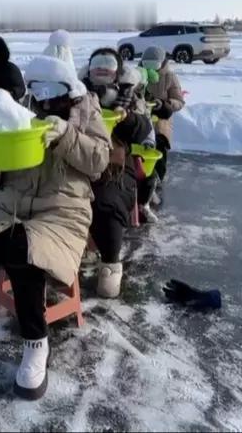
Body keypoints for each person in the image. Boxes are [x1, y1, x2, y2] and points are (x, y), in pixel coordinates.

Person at [0, 55, 109, 401]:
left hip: (63, 207)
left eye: (49, 89)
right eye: (36, 89)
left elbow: (99, 162)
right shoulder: (24, 107)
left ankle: (36, 341)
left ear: (66, 87)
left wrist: (65, 135)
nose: (42, 97)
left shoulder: (86, 109)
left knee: (24, 253)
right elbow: (5, 156)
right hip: (12, 201)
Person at [81, 49, 153, 297]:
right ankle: (76, 248)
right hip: (80, 159)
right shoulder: (78, 92)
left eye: (107, 66)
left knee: (107, 202)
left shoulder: (129, 94)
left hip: (117, 165)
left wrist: (128, 118)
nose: (101, 71)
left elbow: (144, 129)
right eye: (97, 66)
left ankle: (111, 264)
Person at [141, 46, 183, 195]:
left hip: (161, 119)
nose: (151, 68)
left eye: (154, 65)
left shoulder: (170, 77)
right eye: (147, 65)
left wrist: (164, 104)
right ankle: (140, 176)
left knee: (159, 146)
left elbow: (179, 101)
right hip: (141, 117)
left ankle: (158, 177)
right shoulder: (137, 74)